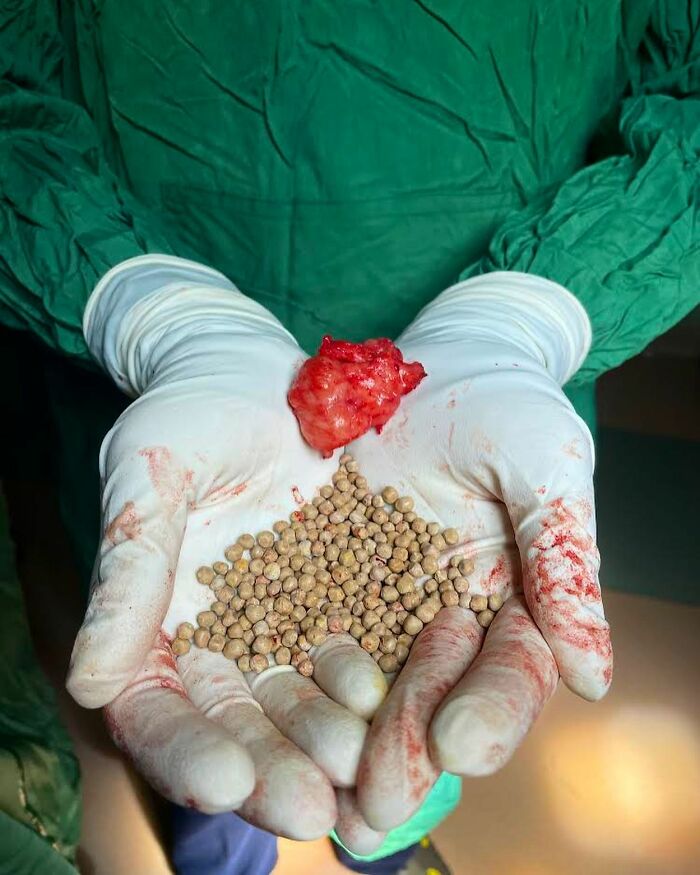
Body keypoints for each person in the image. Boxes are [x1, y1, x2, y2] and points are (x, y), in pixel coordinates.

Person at [0, 1, 698, 873]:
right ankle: (221, 844)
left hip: (479, 396)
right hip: (172, 393)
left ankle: (386, 844)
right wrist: (142, 300)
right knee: (202, 717)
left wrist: (531, 308)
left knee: (431, 713)